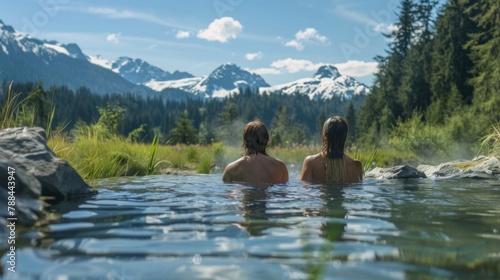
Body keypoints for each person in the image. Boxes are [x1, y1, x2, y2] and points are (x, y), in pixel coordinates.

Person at [223, 120, 289, 186]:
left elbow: (228, 193)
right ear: (267, 139)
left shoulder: (231, 169)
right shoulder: (280, 166)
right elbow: (283, 193)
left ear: (245, 140)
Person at [301, 116, 363, 184]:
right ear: (345, 137)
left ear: (324, 135)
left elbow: (306, 191)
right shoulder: (356, 165)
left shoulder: (311, 162)